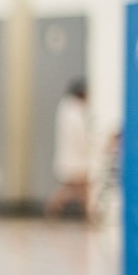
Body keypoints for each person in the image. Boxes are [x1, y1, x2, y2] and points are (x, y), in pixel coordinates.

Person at [46, 77, 92, 220]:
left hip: (73, 156)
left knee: (76, 189)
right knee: (79, 189)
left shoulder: (68, 109)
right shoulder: (74, 112)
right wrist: (89, 146)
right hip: (75, 157)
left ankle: (89, 216)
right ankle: (90, 217)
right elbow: (80, 136)